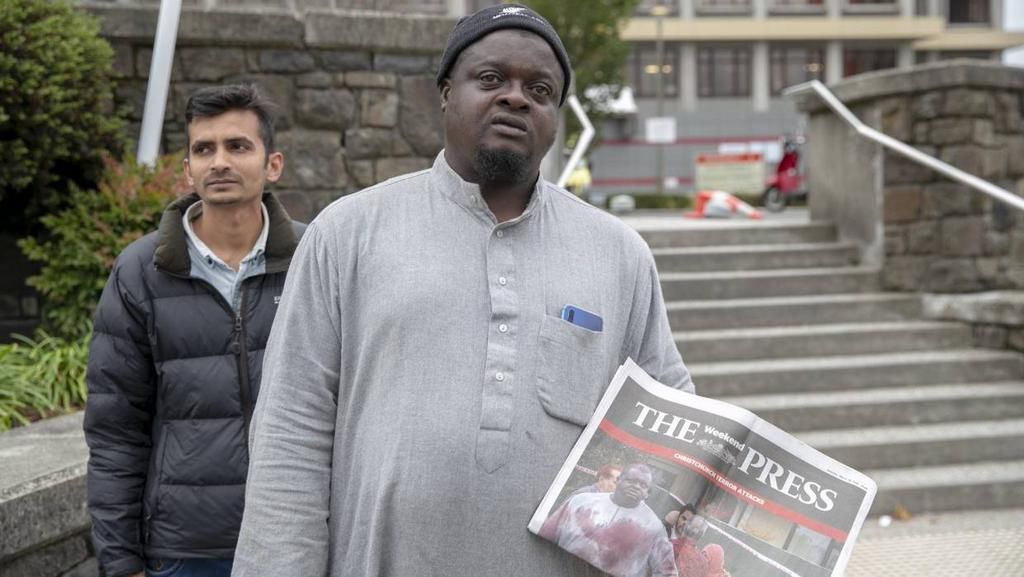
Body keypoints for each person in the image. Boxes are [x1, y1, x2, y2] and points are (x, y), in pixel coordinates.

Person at [230, 5, 692, 576]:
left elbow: (671, 426)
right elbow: (290, 429)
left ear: (554, 117)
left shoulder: (619, 255)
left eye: (540, 90)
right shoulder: (348, 233)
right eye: (491, 78)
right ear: (447, 93)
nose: (516, 98)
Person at [84, 84, 304, 577]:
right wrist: (121, 561)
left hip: (297, 538)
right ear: (187, 170)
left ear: (273, 164)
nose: (219, 162)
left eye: (237, 146)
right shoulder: (140, 271)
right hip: (185, 551)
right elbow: (115, 431)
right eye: (204, 149)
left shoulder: (315, 258)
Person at [539, 464, 678, 577]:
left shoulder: (654, 527)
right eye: (631, 481)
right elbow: (546, 534)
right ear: (618, 480)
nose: (636, 486)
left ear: (647, 493)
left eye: (643, 485)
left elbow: (667, 572)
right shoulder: (581, 501)